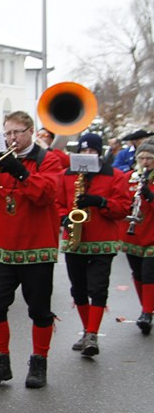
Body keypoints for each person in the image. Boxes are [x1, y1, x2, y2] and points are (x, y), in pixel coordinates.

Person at [0, 110, 64, 389]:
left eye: (17, 132)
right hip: (2, 246)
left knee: (39, 310)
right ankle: (1, 362)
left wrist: (21, 172)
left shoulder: (49, 160)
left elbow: (47, 195)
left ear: (30, 132)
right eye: (7, 133)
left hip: (37, 246)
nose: (12, 138)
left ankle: (39, 362)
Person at [57, 133, 129, 357]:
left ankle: (92, 334)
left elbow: (123, 207)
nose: (88, 155)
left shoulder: (115, 175)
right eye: (84, 151)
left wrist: (101, 202)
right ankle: (88, 331)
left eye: (92, 151)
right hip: (74, 240)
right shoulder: (66, 175)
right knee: (78, 289)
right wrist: (64, 218)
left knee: (98, 288)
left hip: (102, 240)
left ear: (99, 153)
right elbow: (57, 204)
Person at [120, 141, 154, 335]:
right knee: (138, 273)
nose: (145, 162)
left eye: (149, 158)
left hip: (152, 233)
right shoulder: (129, 178)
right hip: (132, 233)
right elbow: (121, 200)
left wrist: (150, 196)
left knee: (150, 273)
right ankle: (146, 308)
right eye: (142, 158)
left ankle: (146, 313)